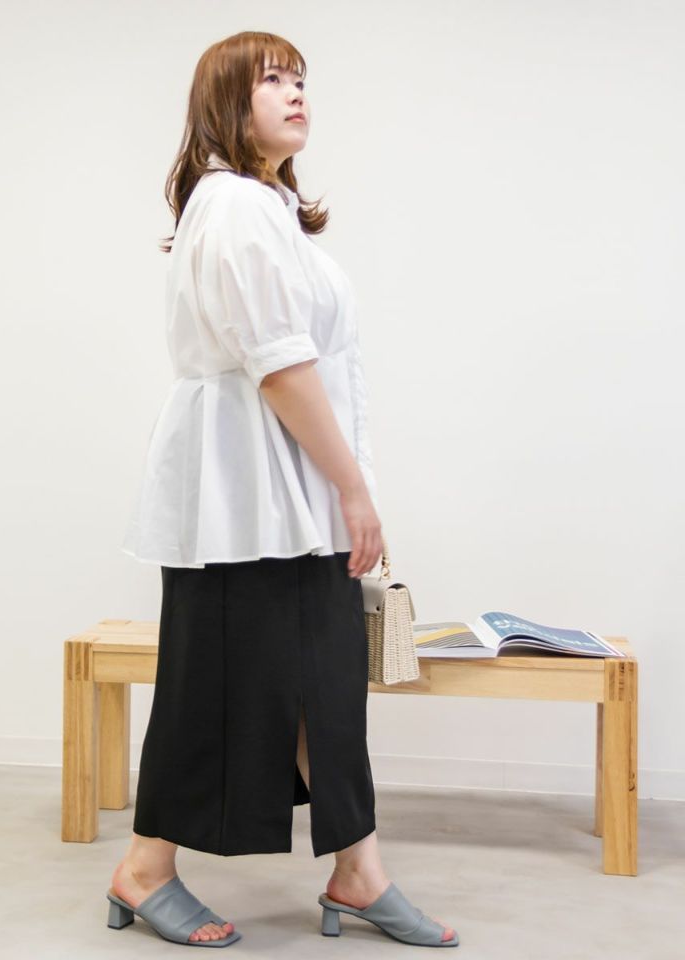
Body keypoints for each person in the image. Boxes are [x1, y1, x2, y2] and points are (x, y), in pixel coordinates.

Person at [106, 30, 459, 949]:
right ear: (230, 100)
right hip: (243, 495)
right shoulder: (233, 204)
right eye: (273, 79)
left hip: (279, 492)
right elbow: (280, 366)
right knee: (221, 684)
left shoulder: (264, 207)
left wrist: (343, 486)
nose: (297, 92)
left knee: (321, 683)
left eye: (301, 78)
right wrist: (355, 490)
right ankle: (144, 869)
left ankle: (358, 871)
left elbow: (301, 366)